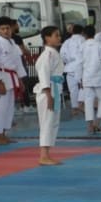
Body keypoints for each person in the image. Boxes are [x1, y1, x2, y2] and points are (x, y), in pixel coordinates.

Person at [0, 17, 25, 145]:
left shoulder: (12, 43)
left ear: (11, 29)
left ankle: (3, 134)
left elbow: (18, 63)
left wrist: (20, 79)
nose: (5, 31)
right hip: (1, 76)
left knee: (8, 108)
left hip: (12, 77)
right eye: (2, 29)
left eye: (8, 28)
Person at [34, 25, 65, 166]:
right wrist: (48, 95)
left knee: (52, 122)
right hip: (48, 91)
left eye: (59, 35)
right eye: (56, 35)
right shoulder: (47, 54)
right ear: (47, 38)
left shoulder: (53, 53)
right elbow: (44, 75)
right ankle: (43, 155)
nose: (59, 37)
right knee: (47, 122)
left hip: (54, 89)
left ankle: (46, 154)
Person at [79, 23, 101, 135]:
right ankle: (97, 124)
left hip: (86, 77)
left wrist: (79, 78)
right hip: (99, 78)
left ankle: (90, 126)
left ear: (84, 35)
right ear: (95, 33)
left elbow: (78, 64)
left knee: (88, 101)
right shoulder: (100, 46)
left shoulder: (82, 46)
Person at [61, 24, 85, 118]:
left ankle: (75, 108)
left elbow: (62, 55)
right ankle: (82, 105)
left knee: (73, 89)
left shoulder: (67, 42)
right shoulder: (84, 40)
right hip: (82, 67)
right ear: (82, 32)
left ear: (72, 31)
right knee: (84, 88)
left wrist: (69, 61)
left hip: (70, 68)